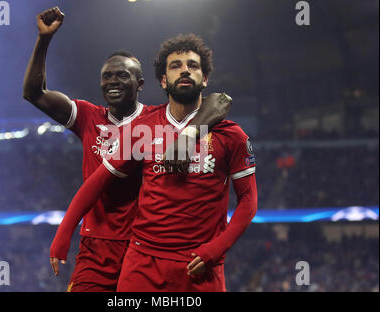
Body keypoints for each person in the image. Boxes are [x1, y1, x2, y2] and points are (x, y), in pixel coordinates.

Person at [23, 7, 232, 292]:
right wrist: (44, 39)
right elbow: (34, 94)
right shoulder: (87, 116)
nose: (112, 81)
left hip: (143, 247)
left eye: (122, 76)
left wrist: (211, 110)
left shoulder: (157, 120)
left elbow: (209, 104)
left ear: (140, 84)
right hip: (96, 246)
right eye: (107, 76)